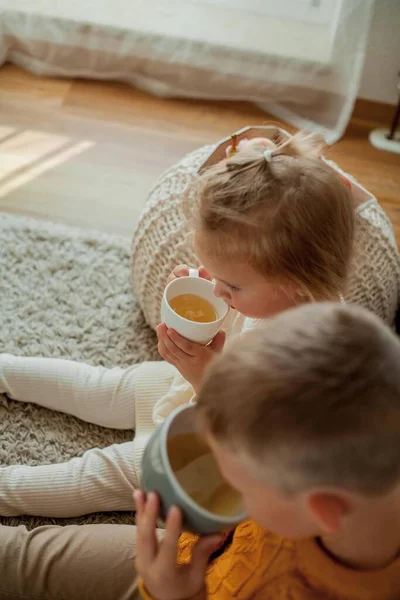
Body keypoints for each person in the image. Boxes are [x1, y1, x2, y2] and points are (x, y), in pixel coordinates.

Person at [0, 132, 399, 518]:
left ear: (292, 286)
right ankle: (8, 370)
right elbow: (244, 321)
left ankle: (8, 491)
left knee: (104, 471)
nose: (218, 288)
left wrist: (205, 380)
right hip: (196, 392)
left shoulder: (311, 358)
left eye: (231, 285)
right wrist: (213, 294)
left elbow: (252, 441)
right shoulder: (278, 296)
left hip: (220, 446)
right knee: (107, 385)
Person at [2, 303, 400, 600]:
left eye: (238, 485)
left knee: (22, 560)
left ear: (322, 510)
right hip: (199, 557)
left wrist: (171, 595)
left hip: (190, 586)